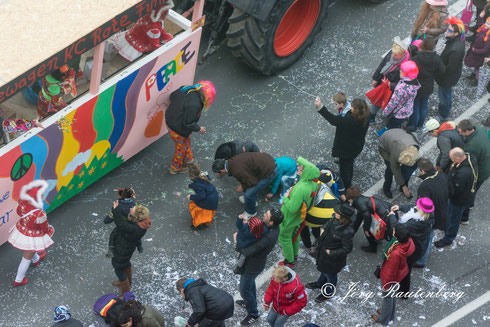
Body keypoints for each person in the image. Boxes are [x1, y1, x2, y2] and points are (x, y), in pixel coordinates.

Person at [235, 209, 284, 326]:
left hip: (253, 265)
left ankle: (253, 314)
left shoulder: (268, 237)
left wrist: (236, 241)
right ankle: (250, 303)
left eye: (266, 215)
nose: (264, 215)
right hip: (254, 263)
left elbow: (249, 250)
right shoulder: (271, 227)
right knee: (250, 285)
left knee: (244, 290)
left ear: (271, 222)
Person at [314, 97, 370, 188]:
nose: (350, 108)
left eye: (352, 107)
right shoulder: (366, 116)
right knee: (349, 162)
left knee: (345, 169)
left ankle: (346, 185)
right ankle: (347, 176)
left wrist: (320, 106)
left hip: (346, 150)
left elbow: (333, 120)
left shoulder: (350, 121)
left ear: (356, 110)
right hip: (356, 147)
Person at [305, 203, 355, 303]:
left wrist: (331, 252)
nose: (334, 212)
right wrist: (323, 228)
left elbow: (347, 249)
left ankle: (328, 292)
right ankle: (320, 283)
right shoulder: (334, 219)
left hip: (333, 259)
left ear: (343, 216)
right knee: (324, 271)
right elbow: (328, 223)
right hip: (324, 252)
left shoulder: (347, 231)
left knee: (331, 276)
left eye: (337, 212)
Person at [8, 180, 54, 286]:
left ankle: (36, 259)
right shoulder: (39, 214)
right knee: (26, 257)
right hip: (33, 236)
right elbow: (44, 227)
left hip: (22, 230)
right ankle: (18, 279)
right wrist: (48, 231)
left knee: (31, 251)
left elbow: (19, 212)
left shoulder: (22, 203)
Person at [165, 81, 216, 174]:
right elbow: (188, 123)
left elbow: (172, 96)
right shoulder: (195, 105)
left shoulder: (186, 88)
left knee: (185, 142)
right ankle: (175, 168)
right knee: (180, 149)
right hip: (178, 129)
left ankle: (189, 159)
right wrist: (199, 129)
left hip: (170, 120)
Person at [279, 157, 320, 267]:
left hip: (289, 217)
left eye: (301, 169)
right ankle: (295, 254)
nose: (298, 168)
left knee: (284, 237)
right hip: (299, 217)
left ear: (306, 173)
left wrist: (286, 198)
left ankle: (289, 260)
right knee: (295, 235)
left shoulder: (300, 188)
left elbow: (292, 208)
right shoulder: (313, 184)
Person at [371, 224, 415, 325]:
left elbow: (391, 271)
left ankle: (383, 319)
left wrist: (386, 284)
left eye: (394, 231)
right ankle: (390, 314)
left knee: (387, 297)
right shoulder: (408, 242)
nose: (393, 231)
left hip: (391, 278)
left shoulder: (395, 253)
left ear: (398, 236)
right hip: (400, 274)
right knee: (393, 295)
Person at [212, 152, 277, 219]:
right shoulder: (232, 161)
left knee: (248, 194)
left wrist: (242, 187)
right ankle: (252, 202)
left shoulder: (236, 170)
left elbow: (252, 182)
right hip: (267, 163)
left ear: (222, 170)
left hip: (270, 171)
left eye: (220, 172)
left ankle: (251, 212)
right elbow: (247, 176)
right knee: (247, 185)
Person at [390, 198, 433, 297]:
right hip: (418, 246)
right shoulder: (427, 215)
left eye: (418, 206)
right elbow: (412, 208)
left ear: (421, 210)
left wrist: (392, 216)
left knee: (405, 271)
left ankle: (404, 292)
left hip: (412, 250)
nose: (416, 206)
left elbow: (398, 228)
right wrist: (400, 207)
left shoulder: (415, 224)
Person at [434, 148, 477, 247]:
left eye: (452, 159)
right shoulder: (468, 158)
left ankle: (448, 238)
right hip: (465, 195)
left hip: (458, 200)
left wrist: (445, 193)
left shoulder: (462, 173)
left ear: (458, 158)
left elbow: (455, 190)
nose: (451, 161)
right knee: (455, 214)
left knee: (454, 219)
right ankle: (460, 220)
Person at [111, 204, 152, 297]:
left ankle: (125, 292)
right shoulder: (141, 223)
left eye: (132, 209)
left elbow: (120, 224)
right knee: (125, 264)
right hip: (127, 248)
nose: (130, 208)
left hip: (122, 250)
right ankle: (128, 282)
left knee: (119, 269)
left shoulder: (133, 228)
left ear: (136, 217)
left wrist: (115, 209)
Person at [415, 159, 449, 267]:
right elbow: (451, 191)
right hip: (443, 212)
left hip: (432, 217)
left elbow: (423, 206)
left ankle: (421, 261)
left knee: (426, 238)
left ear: (423, 171)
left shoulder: (425, 186)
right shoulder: (442, 176)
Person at [300, 169, 342, 255]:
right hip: (325, 218)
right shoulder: (333, 187)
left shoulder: (315, 187)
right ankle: (317, 240)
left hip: (310, 218)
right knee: (316, 229)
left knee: (304, 231)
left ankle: (308, 245)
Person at [370, 37, 410, 122]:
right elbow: (382, 65)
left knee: (389, 104)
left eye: (395, 55)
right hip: (382, 82)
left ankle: (388, 117)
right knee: (377, 100)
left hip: (392, 90)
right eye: (392, 53)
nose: (392, 56)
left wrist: (390, 85)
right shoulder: (392, 53)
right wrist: (376, 78)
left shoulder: (407, 64)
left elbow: (406, 84)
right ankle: (371, 117)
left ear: (402, 54)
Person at [407, 39, 445, 130]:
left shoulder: (417, 58)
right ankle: (420, 124)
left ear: (422, 46)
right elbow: (442, 70)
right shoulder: (436, 58)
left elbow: (410, 68)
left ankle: (413, 125)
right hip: (428, 85)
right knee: (424, 105)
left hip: (417, 85)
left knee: (415, 106)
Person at [457, 120, 490, 223]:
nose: (459, 134)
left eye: (460, 132)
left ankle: (465, 215)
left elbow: (468, 162)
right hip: (486, 166)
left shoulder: (472, 146)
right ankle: (471, 204)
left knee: (470, 191)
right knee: (475, 189)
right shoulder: (480, 129)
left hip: (480, 172)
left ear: (467, 132)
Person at [435, 17, 466, 122]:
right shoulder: (458, 40)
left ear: (456, 33)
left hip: (447, 78)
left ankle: (443, 115)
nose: (447, 31)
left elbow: (449, 68)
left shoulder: (455, 49)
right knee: (446, 94)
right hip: (451, 76)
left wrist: (437, 63)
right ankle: (446, 108)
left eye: (450, 31)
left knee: (444, 96)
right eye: (448, 29)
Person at [345, 186, 391, 253]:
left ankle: (372, 247)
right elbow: (360, 216)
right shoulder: (360, 199)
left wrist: (366, 230)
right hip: (385, 212)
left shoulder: (359, 203)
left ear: (351, 198)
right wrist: (353, 230)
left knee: (368, 230)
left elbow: (366, 216)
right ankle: (379, 238)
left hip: (384, 217)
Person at [379, 128, 420, 199]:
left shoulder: (414, 145)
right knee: (390, 170)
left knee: (410, 167)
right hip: (385, 145)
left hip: (398, 136)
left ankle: (403, 185)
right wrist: (404, 186)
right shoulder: (395, 154)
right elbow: (395, 169)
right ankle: (386, 188)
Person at [382, 61, 420, 129]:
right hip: (407, 110)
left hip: (398, 113)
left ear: (407, 74)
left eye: (402, 71)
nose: (400, 71)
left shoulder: (401, 88)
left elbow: (393, 103)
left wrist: (385, 112)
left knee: (392, 126)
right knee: (398, 124)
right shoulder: (414, 81)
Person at [104, 187, 140, 258]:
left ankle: (111, 249)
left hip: (121, 227)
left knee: (113, 236)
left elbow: (107, 221)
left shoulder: (117, 206)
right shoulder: (135, 205)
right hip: (132, 227)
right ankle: (139, 246)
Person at [187, 162, 218, 228]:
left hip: (208, 202)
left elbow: (201, 196)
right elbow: (203, 182)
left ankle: (196, 225)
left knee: (201, 212)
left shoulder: (197, 185)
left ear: (191, 176)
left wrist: (191, 197)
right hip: (213, 197)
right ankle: (206, 223)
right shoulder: (203, 175)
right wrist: (191, 185)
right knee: (207, 212)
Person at [464, 17, 490, 86]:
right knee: (476, 66)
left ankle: (477, 80)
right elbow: (480, 24)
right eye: (486, 22)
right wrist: (481, 18)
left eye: (488, 24)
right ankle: (474, 75)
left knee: (478, 68)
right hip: (477, 54)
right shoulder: (484, 28)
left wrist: (475, 50)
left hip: (480, 56)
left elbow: (485, 50)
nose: (485, 24)